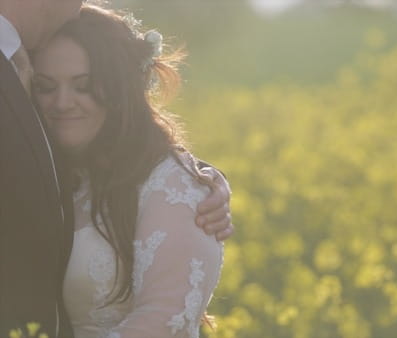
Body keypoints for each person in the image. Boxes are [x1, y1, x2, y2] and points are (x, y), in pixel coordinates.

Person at [0, 0, 233, 336]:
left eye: (83, 86)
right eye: (46, 87)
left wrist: (196, 183)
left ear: (118, 89)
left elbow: (163, 317)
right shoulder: (63, 172)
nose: (62, 103)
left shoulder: (179, 188)